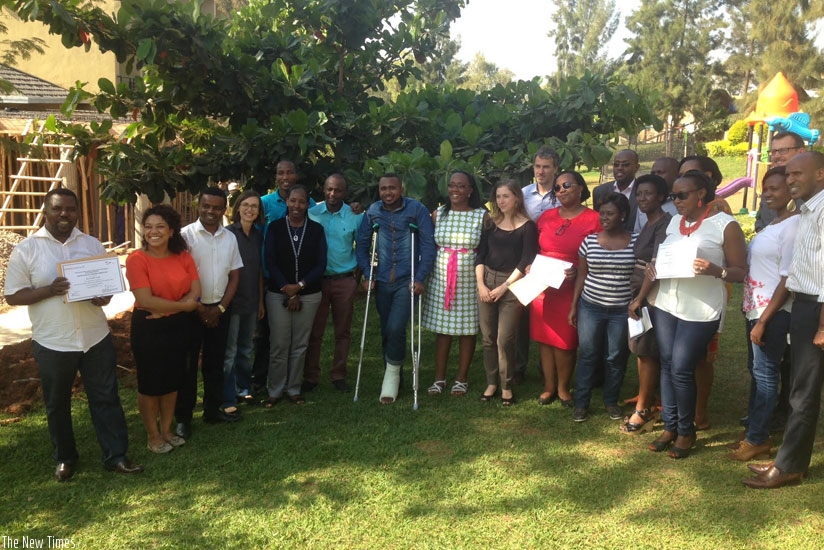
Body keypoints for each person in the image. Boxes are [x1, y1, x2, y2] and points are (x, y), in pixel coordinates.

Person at [5, 188, 142, 481]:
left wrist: (103, 297)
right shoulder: (27, 249)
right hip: (53, 340)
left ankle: (115, 455)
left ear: (78, 212)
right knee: (57, 403)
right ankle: (65, 458)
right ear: (46, 211)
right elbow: (13, 297)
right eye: (57, 209)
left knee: (106, 397)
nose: (64, 214)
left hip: (94, 337)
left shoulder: (92, 245)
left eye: (70, 209)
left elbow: (105, 288)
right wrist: (49, 290)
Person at [646, 170, 747, 459]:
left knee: (681, 367)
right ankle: (671, 426)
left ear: (701, 194)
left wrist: (717, 270)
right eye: (672, 196)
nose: (675, 200)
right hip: (667, 302)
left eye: (681, 195)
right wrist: (655, 268)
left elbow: (740, 272)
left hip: (701, 308)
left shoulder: (725, 226)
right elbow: (664, 257)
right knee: (666, 363)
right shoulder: (674, 223)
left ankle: (686, 430)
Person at [743, 152, 824, 489]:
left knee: (803, 391)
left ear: (820, 174)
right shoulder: (806, 211)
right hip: (803, 306)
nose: (790, 180)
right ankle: (790, 459)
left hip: (816, 309)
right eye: (787, 174)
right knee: (799, 389)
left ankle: (789, 466)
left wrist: (821, 325)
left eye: (797, 174)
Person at [728, 166, 798, 461]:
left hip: (773, 312)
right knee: (758, 373)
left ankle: (758, 439)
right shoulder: (775, 224)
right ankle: (754, 427)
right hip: (755, 309)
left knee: (766, 374)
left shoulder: (794, 227)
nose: (767, 194)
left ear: (791, 191)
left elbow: (787, 280)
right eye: (765, 188)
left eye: (775, 188)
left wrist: (765, 320)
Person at [126, 204, 201, 453]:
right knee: (150, 383)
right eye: (148, 227)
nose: (153, 231)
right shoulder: (136, 259)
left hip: (177, 327)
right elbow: (146, 301)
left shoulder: (183, 256)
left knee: (173, 380)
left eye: (159, 226)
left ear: (171, 231)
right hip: (149, 327)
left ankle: (167, 429)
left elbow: (196, 290)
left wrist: (169, 309)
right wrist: (183, 307)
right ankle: (153, 434)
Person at [356, 174, 436, 404]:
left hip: (407, 279)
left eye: (392, 188)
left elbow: (428, 246)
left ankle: (390, 378)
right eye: (383, 189)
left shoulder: (417, 210)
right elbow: (362, 246)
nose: (387, 192)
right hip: (382, 280)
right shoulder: (373, 211)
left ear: (401, 188)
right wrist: (367, 273)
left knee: (395, 326)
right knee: (386, 330)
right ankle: (394, 376)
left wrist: (420, 277)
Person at [177, 187, 243, 438]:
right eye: (206, 206)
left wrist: (220, 308)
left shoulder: (230, 238)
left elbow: (235, 275)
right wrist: (201, 307)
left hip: (220, 310)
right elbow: (180, 277)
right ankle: (184, 418)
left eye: (216, 207)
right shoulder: (185, 237)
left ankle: (212, 410)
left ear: (224, 209)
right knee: (188, 365)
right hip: (191, 311)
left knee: (215, 363)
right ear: (198, 206)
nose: (211, 211)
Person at [531, 171, 601, 407]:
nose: (561, 191)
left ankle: (563, 388)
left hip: (572, 286)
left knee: (565, 340)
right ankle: (548, 386)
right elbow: (535, 247)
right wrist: (531, 265)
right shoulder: (547, 217)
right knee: (544, 338)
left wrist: (578, 270)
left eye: (567, 185)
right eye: (557, 188)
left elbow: (599, 254)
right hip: (543, 286)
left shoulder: (594, 219)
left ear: (581, 188)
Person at [568, 192, 636, 422]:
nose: (604, 217)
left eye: (610, 213)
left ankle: (610, 400)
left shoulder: (635, 242)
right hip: (591, 306)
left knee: (615, 356)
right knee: (588, 354)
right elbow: (582, 275)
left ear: (623, 215)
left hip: (621, 310)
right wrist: (574, 305)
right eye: (602, 213)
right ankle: (581, 403)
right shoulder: (589, 241)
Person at [677, 154, 732, 431]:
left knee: (702, 356)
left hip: (708, 293)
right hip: (679, 293)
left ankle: (700, 412)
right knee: (682, 357)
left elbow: (730, 262)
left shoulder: (719, 210)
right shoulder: (679, 213)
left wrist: (716, 272)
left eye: (695, 173)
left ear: (708, 178)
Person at [422, 171, 487, 396]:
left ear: (470, 190)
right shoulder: (438, 214)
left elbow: (486, 250)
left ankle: (461, 378)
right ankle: (439, 378)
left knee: (467, 330)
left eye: (461, 186)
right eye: (451, 185)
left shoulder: (481, 216)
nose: (455, 190)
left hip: (469, 279)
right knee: (443, 330)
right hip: (441, 279)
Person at [476, 180, 537, 406]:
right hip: (486, 281)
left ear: (517, 199)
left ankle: (507, 385)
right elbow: (480, 254)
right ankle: (491, 382)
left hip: (512, 284)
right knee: (488, 337)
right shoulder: (490, 222)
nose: (501, 201)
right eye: (498, 197)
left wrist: (504, 287)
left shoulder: (527, 226)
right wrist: (481, 285)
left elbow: (525, 260)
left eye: (506, 196)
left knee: (505, 339)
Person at [264, 185, 327, 406]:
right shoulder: (275, 227)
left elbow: (321, 264)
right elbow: (270, 261)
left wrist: (299, 286)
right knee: (279, 343)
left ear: (307, 204)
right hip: (278, 293)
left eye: (301, 202)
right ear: (287, 202)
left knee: (300, 344)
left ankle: (293, 388)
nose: (296, 206)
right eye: (293, 201)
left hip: (309, 294)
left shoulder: (316, 230)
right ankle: (275, 389)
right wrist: (287, 288)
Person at [622, 174, 672, 434]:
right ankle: (648, 400)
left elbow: (655, 266)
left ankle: (643, 409)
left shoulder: (664, 224)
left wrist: (640, 299)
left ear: (661, 197)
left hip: (650, 295)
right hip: (637, 290)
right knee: (642, 349)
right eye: (639, 194)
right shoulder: (648, 222)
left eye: (648, 194)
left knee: (646, 350)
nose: (642, 198)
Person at [304, 174, 362, 393]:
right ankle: (310, 376)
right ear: (324, 189)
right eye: (329, 189)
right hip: (317, 281)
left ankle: (338, 375)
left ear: (344, 193)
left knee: (342, 331)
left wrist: (357, 279)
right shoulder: (312, 213)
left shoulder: (355, 216)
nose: (332, 194)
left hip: (344, 280)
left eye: (337, 190)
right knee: (314, 331)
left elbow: (362, 248)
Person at [515, 146, 560, 384]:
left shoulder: (562, 193)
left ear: (555, 169)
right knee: (520, 317)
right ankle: (519, 366)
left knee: (548, 317)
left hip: (552, 264)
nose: (541, 171)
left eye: (546, 167)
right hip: (525, 263)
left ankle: (547, 368)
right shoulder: (522, 194)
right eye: (537, 166)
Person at [223, 190, 265, 407]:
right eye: (246, 205)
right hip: (232, 302)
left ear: (259, 212)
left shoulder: (258, 236)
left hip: (251, 300)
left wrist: (260, 301)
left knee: (245, 348)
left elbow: (258, 270)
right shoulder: (228, 234)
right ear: (238, 207)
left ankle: (244, 388)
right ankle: (228, 395)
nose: (250, 209)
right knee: (229, 351)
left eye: (254, 206)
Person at [755, 131, 806, 231]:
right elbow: (760, 219)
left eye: (783, 150)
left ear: (801, 152)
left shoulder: (814, 184)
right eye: (773, 152)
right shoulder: (770, 181)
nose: (777, 156)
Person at [593, 150, 640, 231]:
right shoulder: (600, 192)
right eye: (616, 165)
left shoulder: (642, 192)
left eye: (625, 165)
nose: (620, 168)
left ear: (636, 168)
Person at [634, 157, 679, 232]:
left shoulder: (682, 202)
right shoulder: (643, 202)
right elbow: (637, 233)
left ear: (676, 174)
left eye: (660, 172)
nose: (655, 176)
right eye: (653, 173)